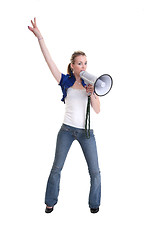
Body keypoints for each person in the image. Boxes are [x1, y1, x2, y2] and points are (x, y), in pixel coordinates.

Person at [28, 18, 101, 214]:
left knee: (95, 171)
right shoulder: (64, 81)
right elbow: (49, 60)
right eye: (79, 63)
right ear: (73, 65)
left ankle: (94, 204)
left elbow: (97, 110)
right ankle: (50, 201)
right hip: (67, 130)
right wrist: (40, 37)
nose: (83, 66)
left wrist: (92, 93)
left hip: (86, 132)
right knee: (56, 168)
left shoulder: (90, 85)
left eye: (85, 62)